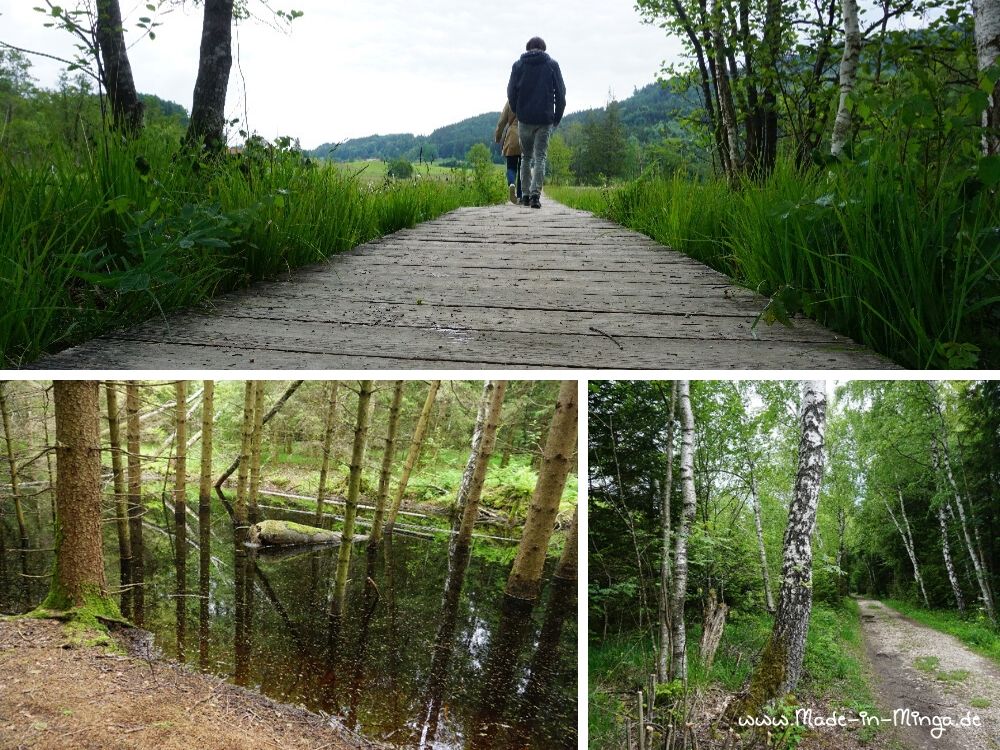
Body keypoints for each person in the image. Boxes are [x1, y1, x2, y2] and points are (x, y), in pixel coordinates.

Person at [506, 37, 566, 209]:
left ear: (528, 48)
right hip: (544, 118)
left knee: (526, 157)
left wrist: (518, 110)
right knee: (540, 157)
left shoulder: (518, 65)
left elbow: (510, 92)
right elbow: (561, 94)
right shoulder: (552, 65)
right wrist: (557, 117)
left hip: (524, 118)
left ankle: (524, 195)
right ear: (543, 48)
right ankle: (535, 196)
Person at [495, 101, 522, 204]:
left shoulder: (510, 101)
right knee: (523, 168)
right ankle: (520, 196)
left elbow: (502, 121)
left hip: (512, 136)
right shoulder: (528, 96)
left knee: (511, 167)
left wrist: (498, 137)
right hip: (525, 136)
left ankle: (511, 183)